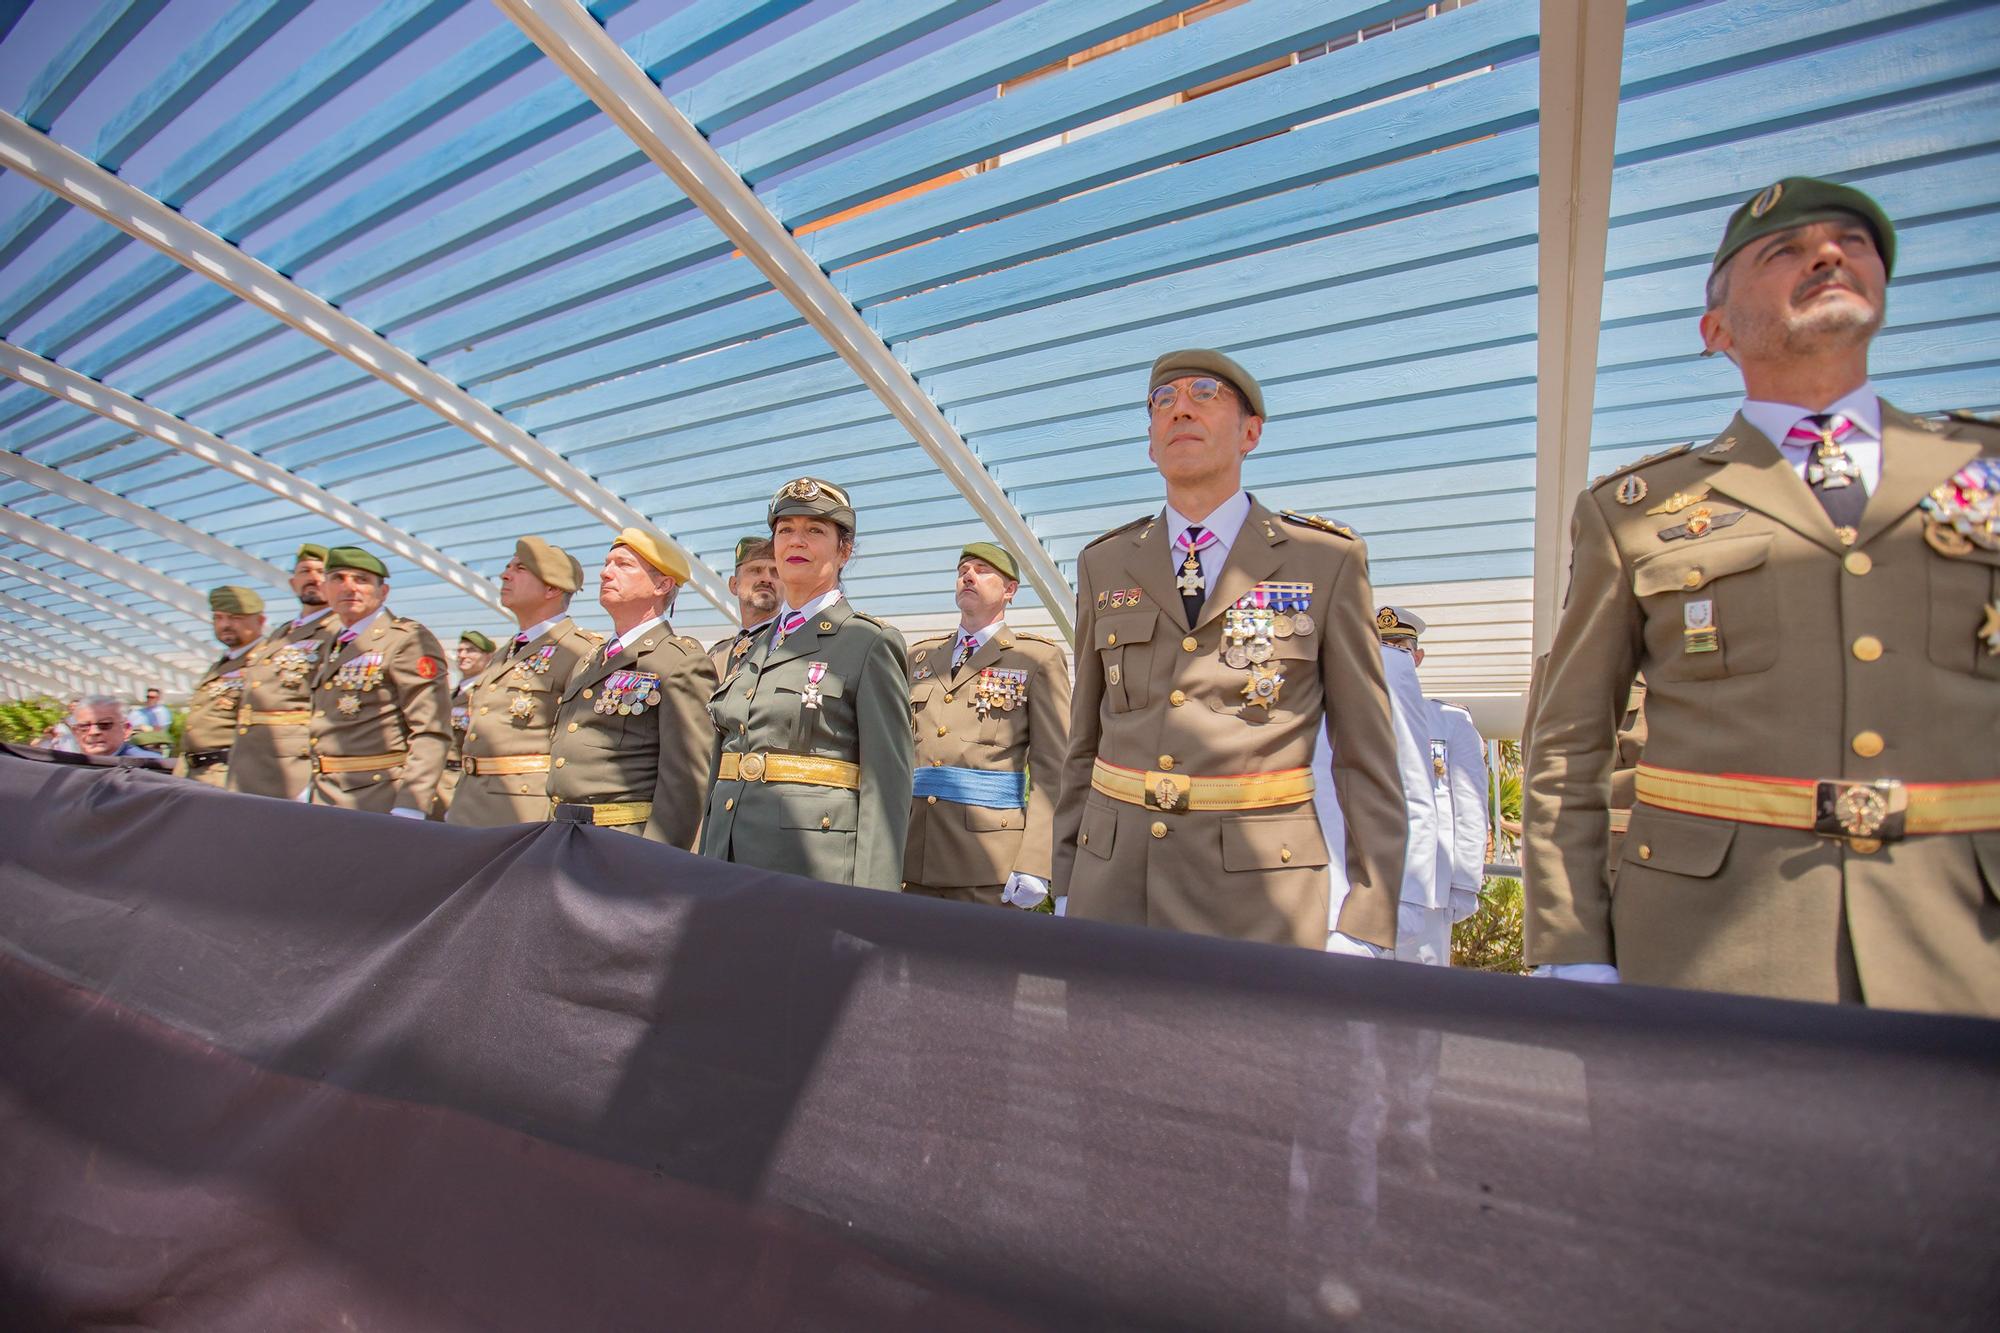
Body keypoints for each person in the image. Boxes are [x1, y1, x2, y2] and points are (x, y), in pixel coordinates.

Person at [1523, 177, 2000, 1015]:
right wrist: (1571, 947)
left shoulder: (1980, 469)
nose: (1826, 254)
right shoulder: (1634, 512)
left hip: (1962, 943)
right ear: (1717, 329)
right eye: (1783, 250)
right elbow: (1569, 744)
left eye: (1852, 243)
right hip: (1714, 946)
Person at [1050, 349, 1407, 950]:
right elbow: (1083, 739)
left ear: (1251, 433)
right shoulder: (1104, 562)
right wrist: (1066, 877)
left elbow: (1365, 754)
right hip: (1109, 886)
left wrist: (1367, 916)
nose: (1179, 410)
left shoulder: (1324, 560)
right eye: (1162, 402)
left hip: (1260, 897)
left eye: (1203, 395)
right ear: (1150, 444)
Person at [701, 477, 913, 890]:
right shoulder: (753, 646)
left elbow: (887, 785)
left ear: (844, 551)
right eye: (786, 531)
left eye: (815, 531)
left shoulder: (868, 641)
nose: (796, 541)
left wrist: (873, 899)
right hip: (727, 860)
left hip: (814, 872)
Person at [903, 542, 1072, 908]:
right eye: (963, 569)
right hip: (912, 851)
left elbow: (1053, 768)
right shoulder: (920, 655)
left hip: (988, 861)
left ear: (1010, 590)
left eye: (983, 570)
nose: (968, 575)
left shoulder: (1036, 658)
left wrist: (1036, 860)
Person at [546, 529, 716, 845]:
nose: (605, 572)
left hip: (620, 842)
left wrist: (652, 862)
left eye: (623, 565)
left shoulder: (679, 662)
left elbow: (685, 781)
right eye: (607, 563)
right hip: (560, 834)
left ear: (662, 584)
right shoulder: (589, 659)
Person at [449, 537, 599, 829]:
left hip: (522, 811)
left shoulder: (581, 650)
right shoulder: (505, 652)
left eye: (520, 568)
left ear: (552, 588)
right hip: (467, 803)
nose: (505, 575)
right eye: (507, 567)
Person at [1374, 607, 1488, 964]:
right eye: (1381, 648)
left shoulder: (1451, 721)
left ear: (1417, 657)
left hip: (1428, 888)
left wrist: (1465, 883)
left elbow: (1470, 806)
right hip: (1365, 882)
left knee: (1418, 1004)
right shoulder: (1345, 717)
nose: (1391, 657)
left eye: (1400, 648)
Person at [304, 546, 451, 818]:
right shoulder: (330, 642)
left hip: (378, 798)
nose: (349, 587)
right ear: (325, 589)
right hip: (324, 793)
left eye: (362, 579)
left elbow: (431, 730)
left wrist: (411, 805)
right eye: (338, 578)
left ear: (383, 592)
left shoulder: (405, 639)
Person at [229, 542, 342, 799]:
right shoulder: (282, 633)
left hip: (294, 767)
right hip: (250, 763)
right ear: (293, 583)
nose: (313, 578)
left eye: (321, 572)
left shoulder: (341, 631)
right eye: (304, 571)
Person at [175, 586, 266, 788]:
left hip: (230, 775)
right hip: (196, 773)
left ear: (260, 621)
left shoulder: (267, 661)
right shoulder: (223, 663)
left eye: (235, 618)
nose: (225, 625)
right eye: (218, 617)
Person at [433, 630, 497, 816]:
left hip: (460, 780)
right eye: (459, 650)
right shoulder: (451, 692)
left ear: (488, 656)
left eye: (470, 650)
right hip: (437, 780)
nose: (462, 655)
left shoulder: (487, 694)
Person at [708, 536, 781, 677]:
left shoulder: (792, 647)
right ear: (734, 585)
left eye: (775, 572)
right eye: (756, 570)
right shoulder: (716, 655)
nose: (766, 579)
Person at [68, 696, 159, 759]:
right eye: (84, 726)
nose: (93, 732)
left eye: (104, 724)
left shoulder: (151, 765)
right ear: (75, 732)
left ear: (126, 729)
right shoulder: (66, 768)